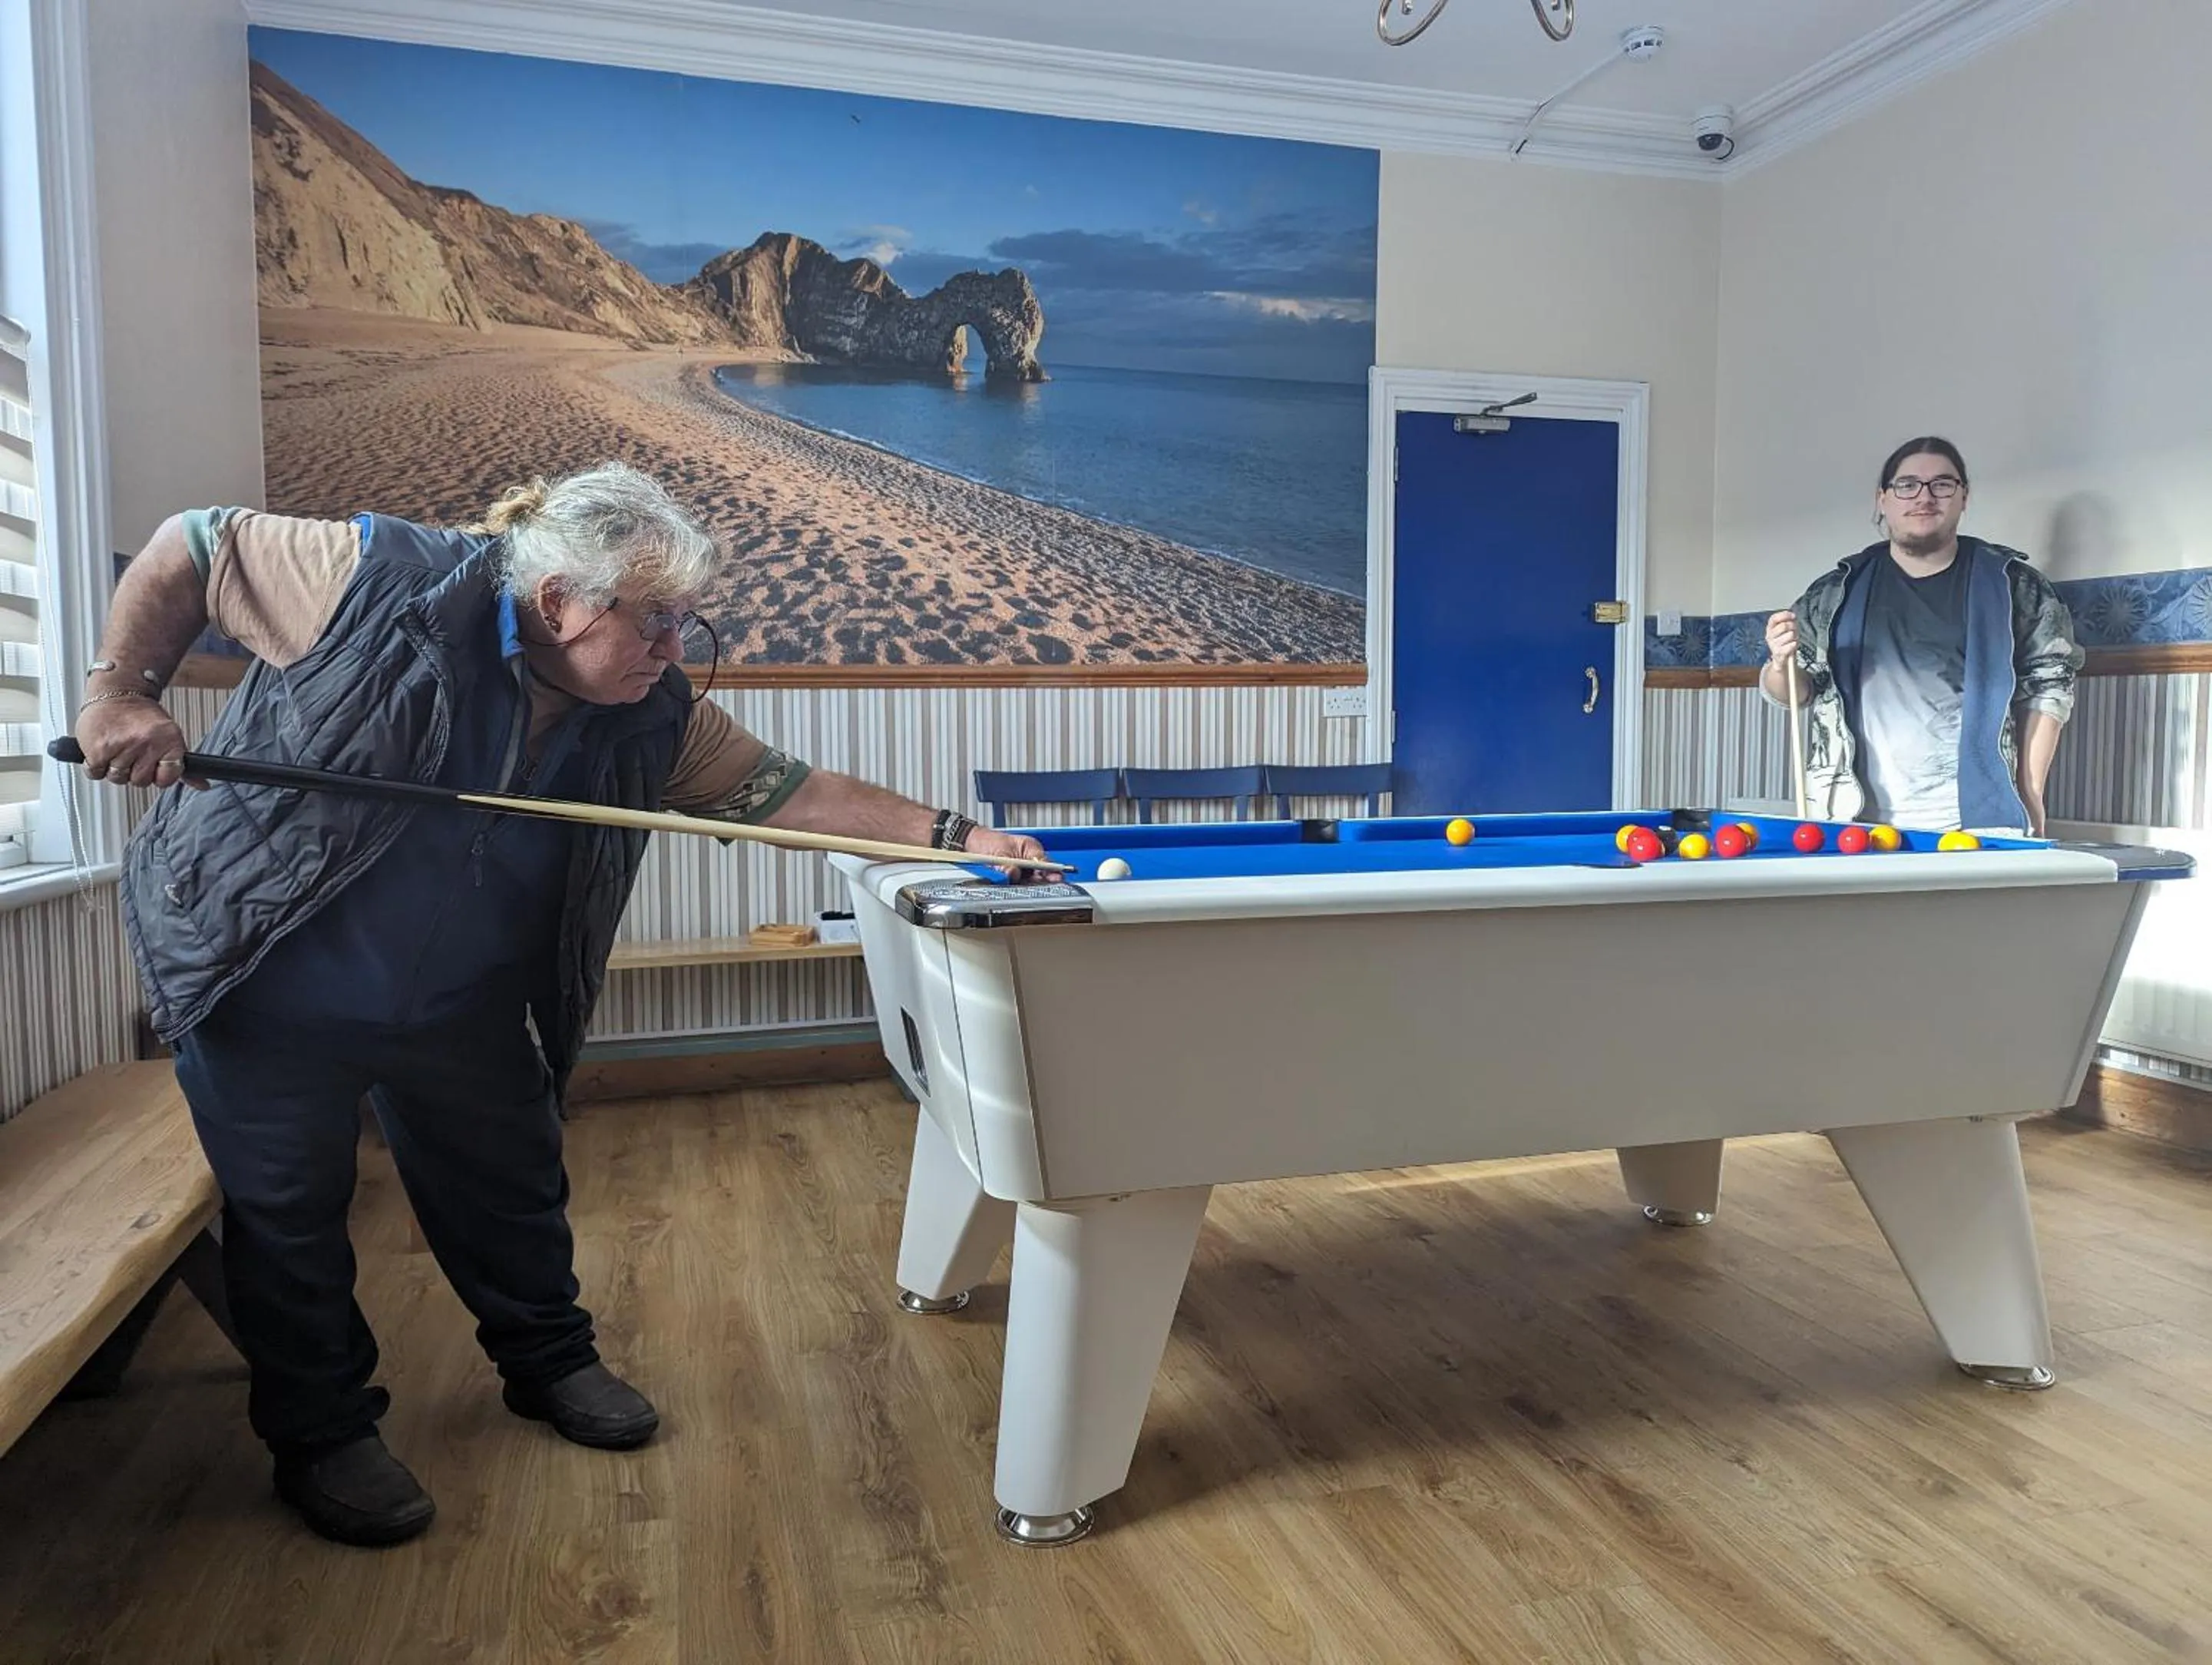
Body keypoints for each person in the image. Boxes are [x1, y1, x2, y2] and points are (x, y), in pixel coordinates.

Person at [70, 463, 1048, 1547]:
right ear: (559, 603)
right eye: (657, 620)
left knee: (510, 1180)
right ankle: (323, 1434)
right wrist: (121, 693)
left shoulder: (646, 711)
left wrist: (967, 840)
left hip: (459, 987)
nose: (675, 647)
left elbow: (790, 793)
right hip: (265, 961)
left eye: (687, 619)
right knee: (290, 1212)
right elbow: (191, 540)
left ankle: (549, 1367)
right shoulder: (373, 578)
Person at [1761, 437, 2082, 836]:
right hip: (1851, 818)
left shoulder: (2013, 586)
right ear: (1883, 499)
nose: (1925, 497)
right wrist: (1778, 663)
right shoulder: (1835, 592)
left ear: (1963, 497)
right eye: (1907, 484)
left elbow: (2049, 690)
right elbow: (1793, 693)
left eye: (1943, 484)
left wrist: (2030, 794)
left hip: (1974, 821)